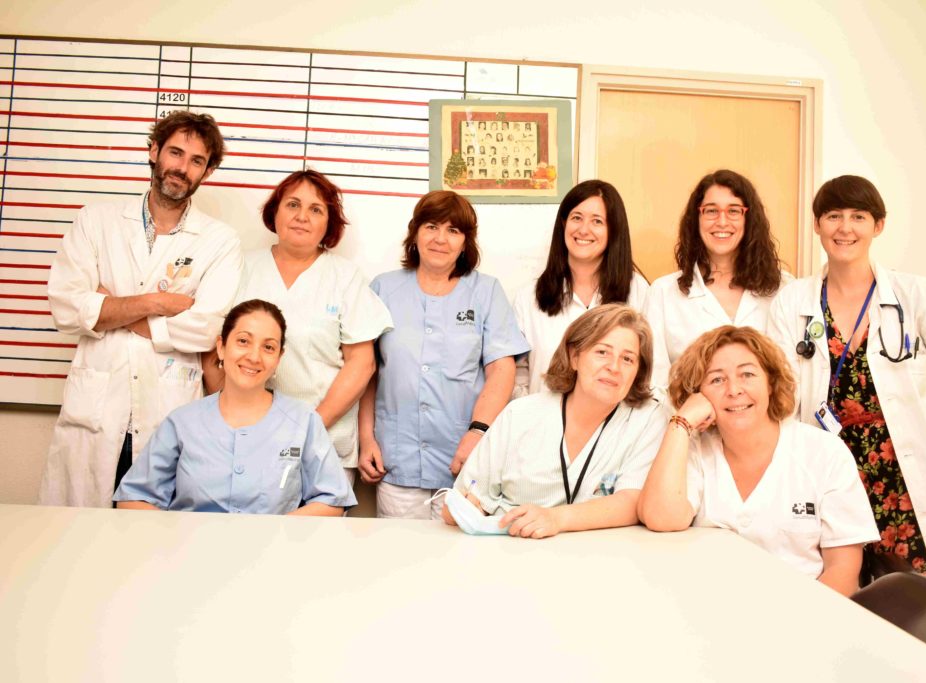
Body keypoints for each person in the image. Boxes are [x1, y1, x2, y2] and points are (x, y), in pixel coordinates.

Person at [767, 175, 926, 596]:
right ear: (817, 224)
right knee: (842, 590)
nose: (845, 228)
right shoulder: (793, 301)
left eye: (858, 216)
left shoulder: (917, 295)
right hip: (833, 469)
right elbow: (780, 392)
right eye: (833, 216)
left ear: (879, 225)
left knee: (921, 596)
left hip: (906, 473)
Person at [40, 110, 242, 507]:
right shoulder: (96, 222)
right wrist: (158, 303)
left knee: (155, 539)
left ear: (208, 172)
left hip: (166, 411)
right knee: (77, 534)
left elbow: (205, 329)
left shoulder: (220, 241)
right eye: (175, 153)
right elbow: (66, 306)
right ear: (154, 151)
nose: (182, 168)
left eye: (196, 161)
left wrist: (109, 306)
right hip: (96, 411)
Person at [638, 326, 878, 596]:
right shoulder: (693, 451)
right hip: (708, 605)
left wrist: (800, 618)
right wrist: (681, 422)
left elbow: (843, 571)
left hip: (805, 609)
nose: (734, 390)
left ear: (771, 383)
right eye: (716, 380)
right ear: (698, 394)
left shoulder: (824, 453)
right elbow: (661, 517)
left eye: (747, 374)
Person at [209, 169, 392, 486]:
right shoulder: (238, 267)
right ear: (275, 212)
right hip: (243, 436)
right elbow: (212, 349)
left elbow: (362, 364)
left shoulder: (345, 277)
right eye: (293, 205)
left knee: (316, 519)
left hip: (323, 439)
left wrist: (309, 427)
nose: (302, 217)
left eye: (316, 209)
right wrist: (232, 419)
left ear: (329, 224)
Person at [357, 191, 529, 519]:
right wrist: (366, 438)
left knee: (460, 550)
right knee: (396, 549)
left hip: (465, 461)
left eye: (453, 230)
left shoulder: (486, 291)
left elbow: (501, 370)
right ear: (415, 233)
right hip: (396, 460)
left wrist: (478, 432)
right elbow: (367, 371)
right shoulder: (383, 289)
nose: (440, 238)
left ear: (465, 243)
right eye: (431, 226)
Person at [445, 304, 668, 538]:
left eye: (628, 359)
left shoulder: (647, 420)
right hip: (514, 551)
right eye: (602, 352)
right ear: (574, 357)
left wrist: (556, 518)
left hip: (602, 555)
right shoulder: (520, 415)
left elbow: (632, 501)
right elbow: (459, 504)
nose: (614, 367)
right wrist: (468, 510)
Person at [114, 300, 355, 515]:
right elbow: (133, 499)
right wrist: (181, 535)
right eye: (243, 341)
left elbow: (332, 498)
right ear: (221, 347)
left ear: (279, 358)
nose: (254, 356)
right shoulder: (182, 422)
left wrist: (277, 533)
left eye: (268, 347)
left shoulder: (303, 421)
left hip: (273, 548)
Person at [645, 169, 787, 401]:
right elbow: (654, 383)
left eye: (734, 211)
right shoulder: (662, 293)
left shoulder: (784, 290)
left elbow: (790, 377)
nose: (722, 221)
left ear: (749, 219)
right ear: (696, 218)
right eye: (711, 211)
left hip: (767, 422)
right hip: (689, 422)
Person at [513, 179, 649, 396]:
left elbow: (649, 372)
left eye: (597, 221)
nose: (584, 230)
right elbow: (518, 376)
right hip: (544, 415)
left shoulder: (638, 292)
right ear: (563, 224)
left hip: (617, 416)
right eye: (577, 218)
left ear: (613, 230)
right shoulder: (529, 297)